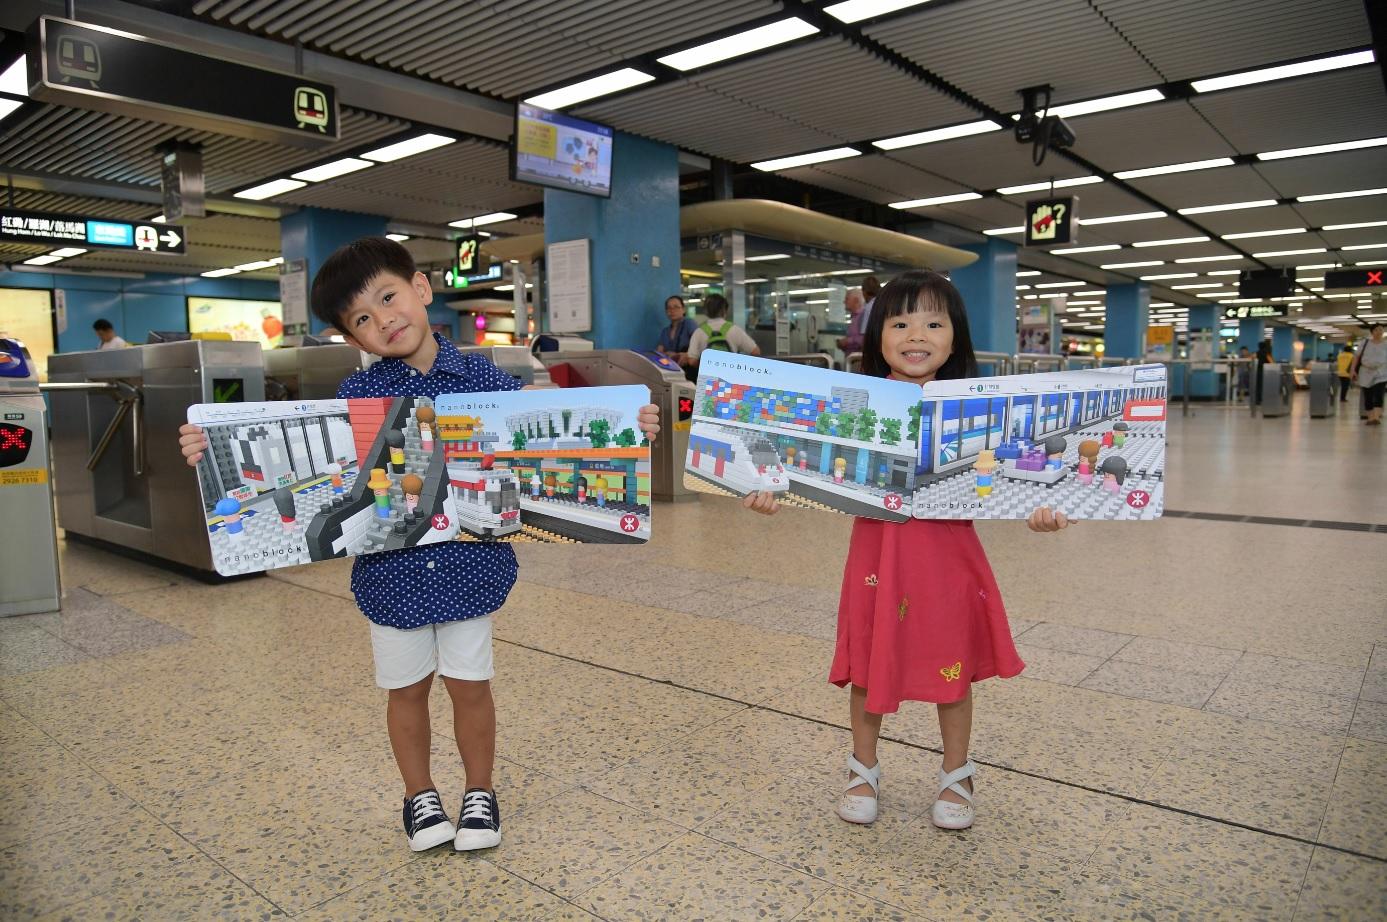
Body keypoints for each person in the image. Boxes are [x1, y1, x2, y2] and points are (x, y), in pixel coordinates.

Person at [177, 237, 660, 853]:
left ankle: (479, 791)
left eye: (388, 297)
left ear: (421, 289)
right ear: (353, 339)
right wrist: (208, 448)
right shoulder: (354, 403)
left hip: (470, 568)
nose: (384, 320)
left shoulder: (485, 379)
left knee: (470, 684)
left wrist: (629, 423)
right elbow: (287, 457)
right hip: (390, 577)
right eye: (361, 319)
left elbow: (549, 437)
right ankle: (418, 795)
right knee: (404, 690)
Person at [742, 270, 1066, 832]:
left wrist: (1041, 511)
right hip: (877, 553)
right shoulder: (856, 402)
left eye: (934, 322)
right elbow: (804, 455)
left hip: (948, 557)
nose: (917, 334)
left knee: (953, 666)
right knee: (869, 663)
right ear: (878, 336)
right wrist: (771, 487)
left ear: (955, 338)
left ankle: (957, 771)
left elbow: (1016, 475)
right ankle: (861, 768)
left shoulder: (981, 406)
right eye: (900, 322)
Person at [687, 293, 760, 365]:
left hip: (707, 376)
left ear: (705, 311)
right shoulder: (735, 330)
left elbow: (692, 360)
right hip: (730, 375)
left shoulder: (699, 331)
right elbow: (755, 351)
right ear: (725, 310)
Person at [1349, 323, 1387, 425]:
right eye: (1377, 330)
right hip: (1365, 371)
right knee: (1368, 395)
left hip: (1381, 372)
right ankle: (1370, 418)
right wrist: (1353, 370)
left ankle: (1376, 417)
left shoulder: (1385, 344)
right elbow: (1356, 357)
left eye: (1381, 330)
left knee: (1379, 394)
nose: (1379, 332)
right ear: (1372, 332)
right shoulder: (1364, 343)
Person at [655, 295, 698, 381]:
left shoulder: (689, 324)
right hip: (671, 373)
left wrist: (684, 355)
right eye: (669, 308)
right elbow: (659, 353)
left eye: (676, 307)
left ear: (683, 309)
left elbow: (698, 346)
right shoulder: (665, 331)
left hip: (689, 373)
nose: (672, 311)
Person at [835, 288, 867, 356]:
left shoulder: (864, 316)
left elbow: (866, 339)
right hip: (851, 360)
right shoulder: (854, 318)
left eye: (847, 299)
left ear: (856, 300)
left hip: (859, 359)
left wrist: (847, 341)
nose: (844, 302)